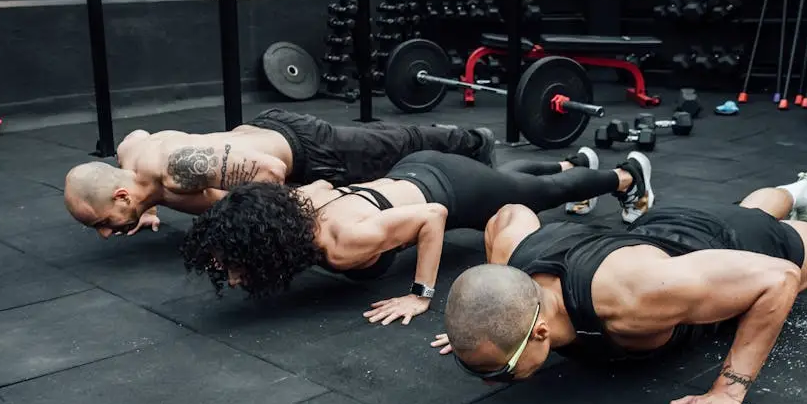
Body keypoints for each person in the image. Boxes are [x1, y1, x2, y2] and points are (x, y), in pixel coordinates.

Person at [432, 167, 807, 404]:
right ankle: (804, 186)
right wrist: (476, 329)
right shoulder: (514, 265)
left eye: (498, 370)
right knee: (746, 207)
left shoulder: (632, 299)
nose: (487, 381)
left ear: (539, 332)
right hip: (668, 237)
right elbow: (509, 213)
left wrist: (729, 391)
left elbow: (779, 280)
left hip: (736, 246)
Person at [180, 149, 656, 326]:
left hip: (448, 190)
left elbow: (433, 217)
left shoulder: (343, 243)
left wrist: (420, 295)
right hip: (413, 171)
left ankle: (624, 176)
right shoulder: (299, 204)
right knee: (510, 180)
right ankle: (573, 162)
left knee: (535, 195)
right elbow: (323, 186)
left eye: (239, 266)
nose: (236, 279)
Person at [62, 109, 496, 238]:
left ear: (120, 195)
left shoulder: (175, 170)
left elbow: (269, 171)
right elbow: (136, 133)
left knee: (396, 145)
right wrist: (145, 208)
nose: (105, 233)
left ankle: (475, 141)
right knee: (382, 138)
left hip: (305, 151)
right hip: (271, 134)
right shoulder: (130, 157)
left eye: (103, 223)